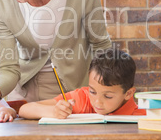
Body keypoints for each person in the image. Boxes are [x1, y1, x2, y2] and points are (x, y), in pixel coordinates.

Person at [18, 49, 146, 119]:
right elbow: (25, 110)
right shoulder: (82, 99)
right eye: (93, 92)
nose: (97, 102)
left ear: (128, 93)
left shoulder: (142, 116)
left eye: (108, 96)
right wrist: (54, 111)